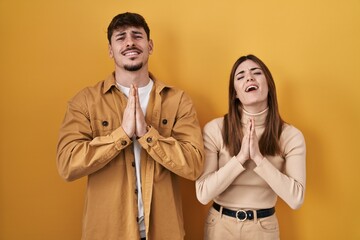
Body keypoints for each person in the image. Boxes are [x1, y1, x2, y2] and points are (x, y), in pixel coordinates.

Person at [56, 12, 204, 240]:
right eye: (121, 37)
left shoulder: (178, 100)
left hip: (165, 233)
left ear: (150, 45)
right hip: (108, 233)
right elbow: (67, 164)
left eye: (137, 36)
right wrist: (121, 135)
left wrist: (147, 134)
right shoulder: (84, 101)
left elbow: (194, 165)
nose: (130, 42)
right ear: (110, 50)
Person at [195, 54, 306, 240]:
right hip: (220, 226)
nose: (249, 78)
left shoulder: (290, 136)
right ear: (235, 94)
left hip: (263, 229)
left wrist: (258, 158)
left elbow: (296, 199)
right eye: (240, 76)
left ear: (269, 85)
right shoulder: (215, 129)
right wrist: (240, 159)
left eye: (256, 73)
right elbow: (203, 194)